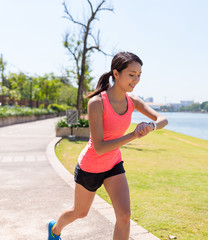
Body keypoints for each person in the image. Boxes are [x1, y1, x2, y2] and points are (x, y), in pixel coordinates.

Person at [47, 52, 168, 240]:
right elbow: (100, 147)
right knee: (80, 212)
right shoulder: (97, 103)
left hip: (113, 165)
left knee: (124, 216)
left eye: (139, 75)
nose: (136, 80)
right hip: (90, 167)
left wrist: (150, 126)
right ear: (116, 74)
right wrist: (133, 135)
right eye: (131, 74)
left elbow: (163, 120)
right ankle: (55, 230)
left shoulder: (133, 100)